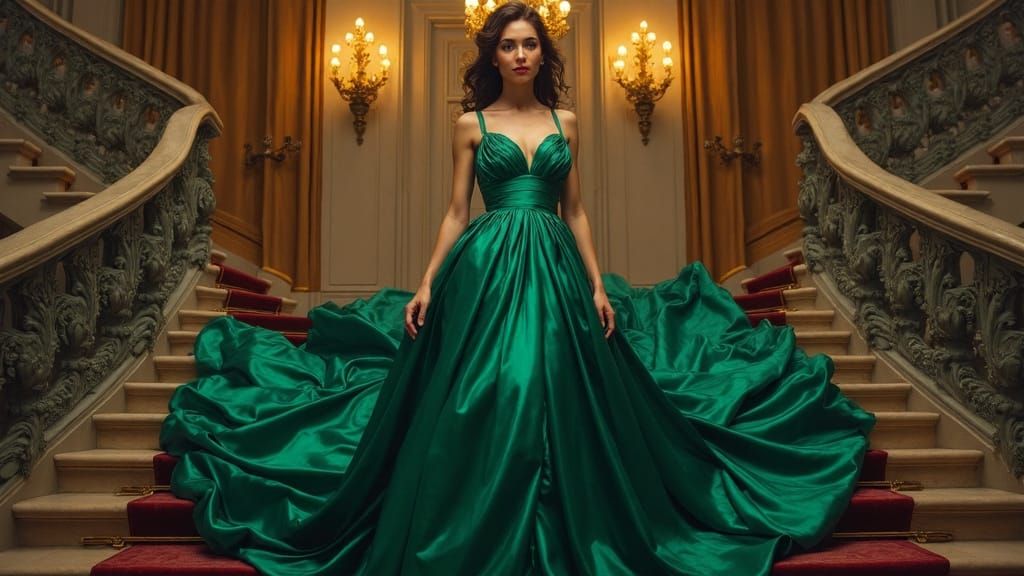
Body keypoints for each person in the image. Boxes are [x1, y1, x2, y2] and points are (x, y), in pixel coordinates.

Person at [160, 3, 875, 575]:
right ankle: (478, 517)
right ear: (491, 55)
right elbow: (454, 211)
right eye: (509, 45)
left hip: (557, 263)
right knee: (492, 388)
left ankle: (568, 515)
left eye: (531, 43)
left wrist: (598, 285)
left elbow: (577, 209)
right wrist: (428, 284)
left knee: (557, 384)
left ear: (544, 53)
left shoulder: (567, 121)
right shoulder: (469, 124)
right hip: (488, 260)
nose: (522, 54)